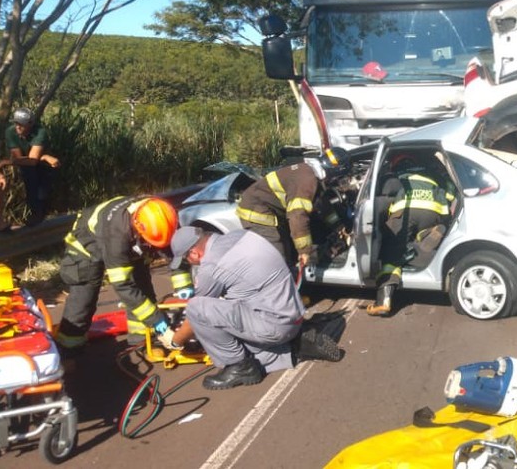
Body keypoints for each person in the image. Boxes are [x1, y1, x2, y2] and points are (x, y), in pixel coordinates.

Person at [167, 226, 342, 391]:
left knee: (196, 308)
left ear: (194, 253)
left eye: (186, 260)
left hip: (276, 326)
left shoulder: (211, 266)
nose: (190, 264)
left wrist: (175, 340)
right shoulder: (238, 235)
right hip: (293, 312)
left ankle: (239, 366)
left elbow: (197, 314)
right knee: (235, 306)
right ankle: (296, 345)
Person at [54, 196, 190, 355]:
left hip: (133, 242)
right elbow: (123, 286)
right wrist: (156, 320)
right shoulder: (117, 235)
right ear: (138, 227)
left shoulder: (164, 217)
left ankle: (141, 341)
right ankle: (69, 348)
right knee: (84, 298)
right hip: (87, 247)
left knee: (143, 288)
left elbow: (176, 251)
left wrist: (184, 285)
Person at [367, 154, 453, 317]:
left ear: (395, 163)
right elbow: (449, 194)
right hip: (433, 212)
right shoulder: (430, 173)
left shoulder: (397, 173)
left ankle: (383, 300)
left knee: (391, 251)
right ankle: (428, 233)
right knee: (428, 229)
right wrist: (445, 221)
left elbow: (386, 192)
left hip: (405, 212)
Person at [236, 147, 352, 268]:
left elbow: (322, 205)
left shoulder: (311, 174)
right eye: (340, 178)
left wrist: (339, 227)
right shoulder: (308, 181)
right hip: (257, 211)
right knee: (278, 258)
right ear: (333, 173)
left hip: (268, 209)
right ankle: (274, 283)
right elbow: (297, 216)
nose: (339, 182)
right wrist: (304, 251)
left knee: (287, 252)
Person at [1, 107, 59, 226]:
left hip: (40, 164)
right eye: (16, 123)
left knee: (44, 173)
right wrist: (42, 156)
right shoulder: (10, 132)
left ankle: (40, 211)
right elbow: (19, 158)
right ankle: (32, 212)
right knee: (29, 172)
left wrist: (8, 162)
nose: (18, 127)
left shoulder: (39, 132)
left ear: (30, 124)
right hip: (27, 164)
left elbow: (31, 161)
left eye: (21, 124)